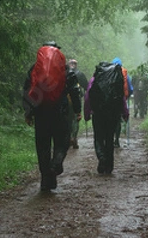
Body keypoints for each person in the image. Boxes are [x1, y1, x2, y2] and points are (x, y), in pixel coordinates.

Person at [23, 42, 82, 191]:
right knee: (61, 142)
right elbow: (74, 91)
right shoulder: (65, 69)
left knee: (42, 146)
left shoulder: (34, 69)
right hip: (60, 113)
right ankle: (56, 165)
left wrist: (28, 112)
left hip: (41, 113)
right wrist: (77, 110)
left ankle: (45, 181)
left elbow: (27, 91)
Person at [84, 61, 129, 174]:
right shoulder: (115, 81)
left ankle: (102, 158)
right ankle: (109, 166)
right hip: (113, 114)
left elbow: (88, 97)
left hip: (98, 114)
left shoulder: (95, 79)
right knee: (109, 138)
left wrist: (87, 113)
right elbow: (121, 98)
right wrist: (125, 113)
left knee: (99, 138)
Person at [111, 57, 133, 148]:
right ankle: (117, 140)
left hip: (110, 100)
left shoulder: (108, 73)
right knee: (118, 120)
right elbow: (130, 88)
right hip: (120, 100)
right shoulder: (125, 75)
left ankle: (110, 139)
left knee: (110, 119)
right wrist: (126, 97)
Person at [67, 59, 88, 149]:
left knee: (68, 119)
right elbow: (87, 87)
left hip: (66, 100)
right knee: (76, 118)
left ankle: (69, 138)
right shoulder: (80, 74)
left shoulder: (64, 73)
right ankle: (73, 137)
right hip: (76, 99)